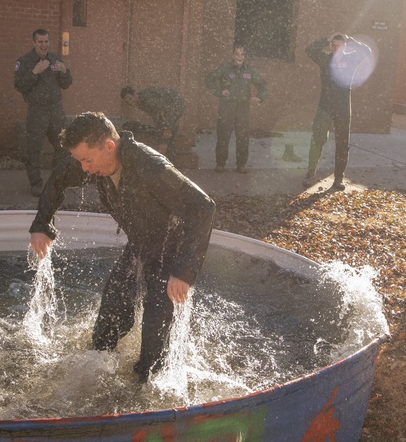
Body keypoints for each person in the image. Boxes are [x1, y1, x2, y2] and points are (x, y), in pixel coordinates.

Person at [29, 112, 216, 381]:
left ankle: (146, 403)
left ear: (108, 146)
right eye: (80, 160)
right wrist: (41, 224)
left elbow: (203, 207)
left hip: (169, 257)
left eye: (87, 159)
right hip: (138, 249)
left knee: (153, 355)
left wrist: (185, 271)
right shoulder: (98, 165)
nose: (84, 168)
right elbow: (59, 176)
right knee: (105, 331)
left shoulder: (149, 167)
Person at [305, 33, 372, 191]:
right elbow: (308, 49)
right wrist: (325, 39)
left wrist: (351, 41)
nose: (335, 48)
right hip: (325, 106)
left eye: (339, 45)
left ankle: (338, 178)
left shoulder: (351, 59)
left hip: (342, 108)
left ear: (345, 46)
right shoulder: (324, 59)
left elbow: (367, 51)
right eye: (333, 45)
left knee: (342, 144)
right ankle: (310, 173)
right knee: (317, 139)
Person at [14, 28, 73, 196]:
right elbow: (19, 85)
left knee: (62, 147)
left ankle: (57, 181)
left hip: (56, 111)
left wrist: (64, 71)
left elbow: (66, 83)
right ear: (34, 43)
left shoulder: (55, 59)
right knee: (34, 149)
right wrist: (35, 72)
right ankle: (36, 184)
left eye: (46, 41)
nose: (44, 45)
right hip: (37, 111)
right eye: (40, 41)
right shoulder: (24, 62)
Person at [204, 45, 268, 173]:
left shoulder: (249, 71)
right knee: (223, 136)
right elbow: (209, 79)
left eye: (242, 54)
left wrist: (259, 98)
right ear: (233, 55)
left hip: (243, 108)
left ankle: (241, 164)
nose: (240, 57)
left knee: (243, 137)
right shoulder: (224, 69)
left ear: (244, 57)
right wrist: (219, 91)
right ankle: (220, 163)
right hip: (226, 107)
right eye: (237, 54)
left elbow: (262, 84)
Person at [119, 85, 186, 154]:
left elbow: (165, 110)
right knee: (167, 135)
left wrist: (167, 128)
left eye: (130, 98)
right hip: (173, 106)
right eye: (127, 102)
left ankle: (163, 157)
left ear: (135, 94)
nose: (130, 102)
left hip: (176, 104)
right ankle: (169, 156)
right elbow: (155, 114)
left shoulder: (147, 100)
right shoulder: (140, 102)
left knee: (164, 135)